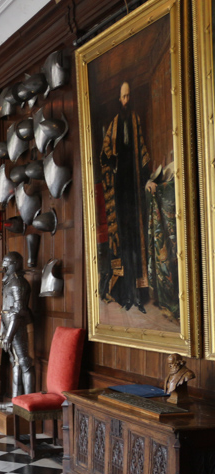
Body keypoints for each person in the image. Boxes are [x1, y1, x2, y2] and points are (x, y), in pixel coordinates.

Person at [101, 81, 158, 313]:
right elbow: (104, 155)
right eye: (123, 96)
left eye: (129, 96)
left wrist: (146, 179)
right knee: (123, 243)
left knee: (136, 241)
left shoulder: (135, 120)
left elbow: (143, 151)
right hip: (119, 191)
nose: (126, 100)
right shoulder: (113, 125)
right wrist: (112, 162)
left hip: (134, 190)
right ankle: (125, 295)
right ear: (118, 99)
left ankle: (138, 295)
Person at [0, 252, 34, 397]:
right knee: (16, 363)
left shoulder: (18, 283)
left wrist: (9, 335)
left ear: (15, 264)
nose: (5, 267)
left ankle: (28, 401)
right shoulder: (9, 282)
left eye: (7, 264)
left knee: (25, 363)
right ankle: (16, 400)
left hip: (19, 325)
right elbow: (5, 310)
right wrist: (2, 330)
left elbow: (18, 311)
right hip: (10, 325)